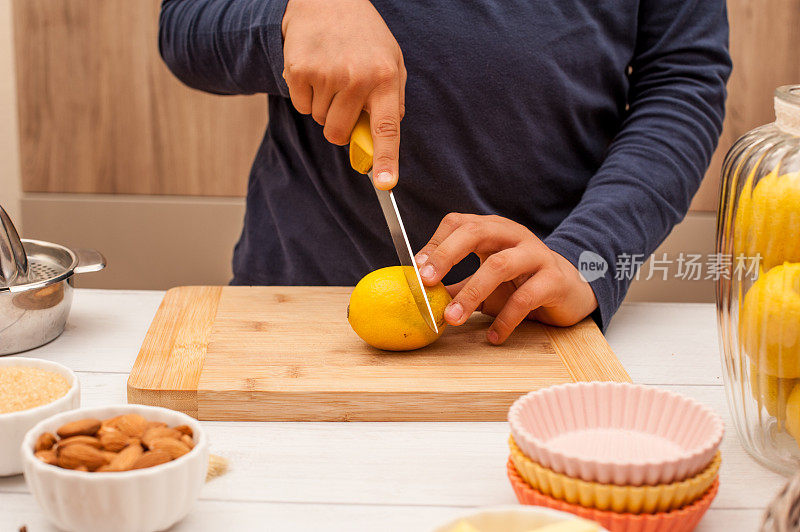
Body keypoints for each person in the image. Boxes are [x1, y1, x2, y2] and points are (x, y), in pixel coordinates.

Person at [159, 0, 731, 343]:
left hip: (529, 325)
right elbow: (185, 23)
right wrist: (290, 13)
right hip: (291, 311)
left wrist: (590, 253)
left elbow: (682, 81)